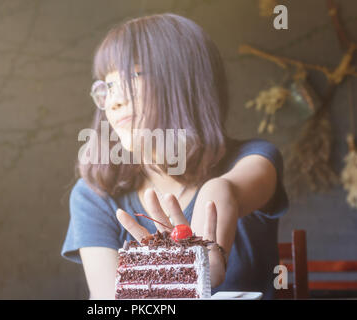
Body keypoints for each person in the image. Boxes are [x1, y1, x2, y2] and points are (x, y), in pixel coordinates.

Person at [61, 13, 289, 300]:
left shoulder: (255, 158)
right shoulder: (94, 195)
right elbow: (108, 301)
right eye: (106, 87)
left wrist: (201, 255)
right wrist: (173, 282)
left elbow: (226, 189)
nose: (114, 101)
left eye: (132, 76)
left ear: (184, 80)